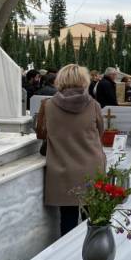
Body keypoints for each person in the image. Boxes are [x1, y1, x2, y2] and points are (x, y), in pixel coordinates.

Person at [42, 64, 105, 236]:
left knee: (67, 219)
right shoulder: (93, 105)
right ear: (84, 81)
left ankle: (67, 256)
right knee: (93, 219)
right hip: (91, 167)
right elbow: (100, 132)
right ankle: (93, 255)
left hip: (62, 168)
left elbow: (40, 132)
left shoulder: (48, 106)